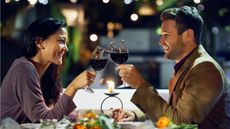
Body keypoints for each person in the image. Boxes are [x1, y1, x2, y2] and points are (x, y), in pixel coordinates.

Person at [112, 6, 230, 129]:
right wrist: (135, 116)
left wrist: (140, 84)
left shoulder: (205, 69)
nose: (161, 41)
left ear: (188, 35)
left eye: (166, 35)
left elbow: (180, 123)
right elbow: (173, 112)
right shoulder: (186, 65)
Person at [0, 18, 96, 123]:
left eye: (66, 43)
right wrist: (73, 86)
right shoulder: (23, 69)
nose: (66, 48)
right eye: (61, 41)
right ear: (39, 42)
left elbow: (57, 111)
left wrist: (92, 116)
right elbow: (43, 121)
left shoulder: (49, 70)